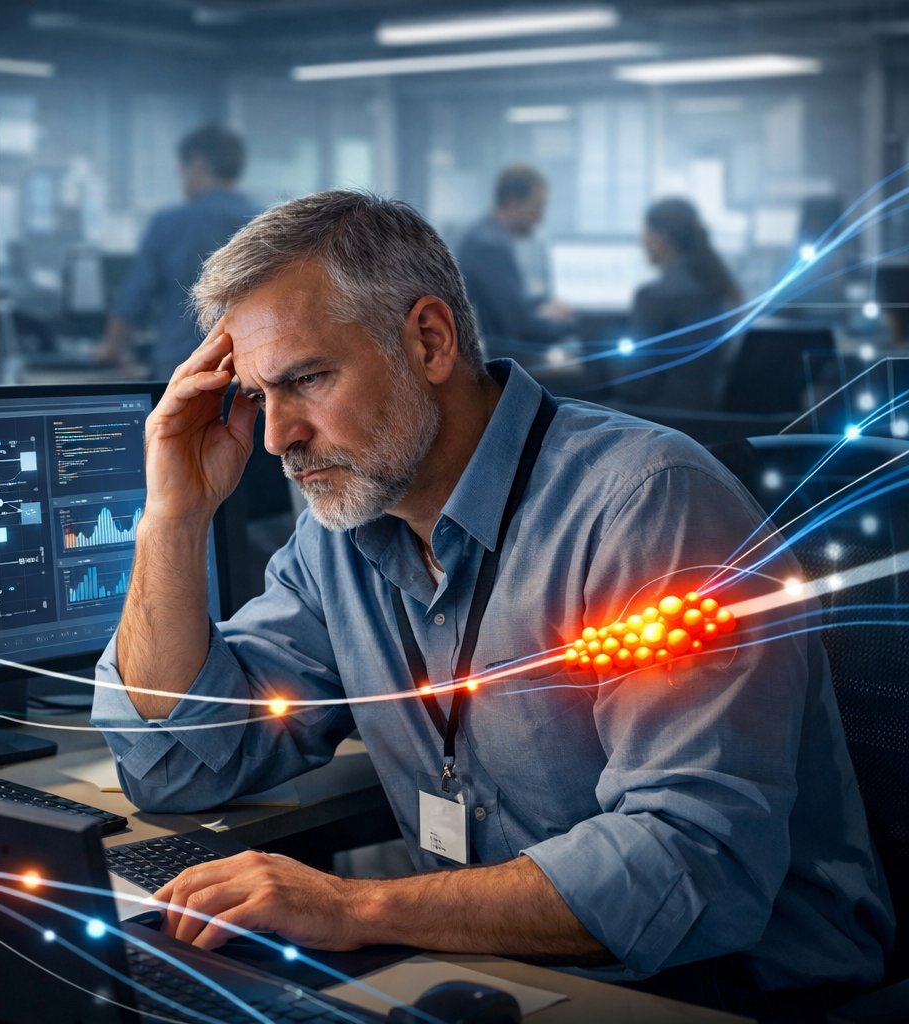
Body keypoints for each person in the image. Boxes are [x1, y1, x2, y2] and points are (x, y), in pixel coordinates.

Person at [91, 190, 892, 1016]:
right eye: (259, 396)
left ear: (430, 341)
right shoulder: (343, 533)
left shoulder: (645, 507)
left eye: (307, 379)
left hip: (731, 992)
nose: (276, 438)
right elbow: (179, 765)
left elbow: (688, 867)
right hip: (508, 976)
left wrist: (352, 907)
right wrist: (173, 520)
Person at [97, 124, 258, 378]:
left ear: (198, 164)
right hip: (252, 371)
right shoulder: (265, 222)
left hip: (183, 368)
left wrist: (111, 350)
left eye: (183, 172)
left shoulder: (171, 224)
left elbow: (136, 297)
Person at [619, 198, 743, 408]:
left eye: (646, 233)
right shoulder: (719, 288)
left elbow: (637, 385)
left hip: (661, 421)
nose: (642, 241)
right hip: (708, 415)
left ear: (662, 237)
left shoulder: (653, 297)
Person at [456, 164, 574, 353]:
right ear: (512, 202)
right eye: (536, 208)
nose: (540, 219)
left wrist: (543, 303)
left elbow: (511, 302)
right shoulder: (489, 246)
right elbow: (520, 326)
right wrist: (571, 323)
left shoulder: (486, 235)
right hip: (502, 361)